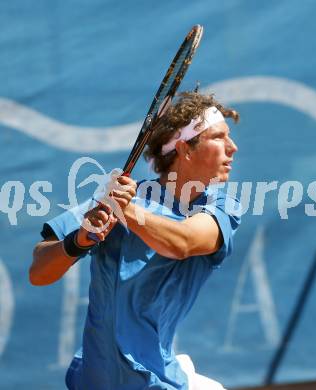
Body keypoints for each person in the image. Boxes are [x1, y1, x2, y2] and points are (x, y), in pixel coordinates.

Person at [30, 92, 240, 390]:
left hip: (158, 381)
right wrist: (77, 241)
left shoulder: (222, 206)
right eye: (219, 138)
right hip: (95, 379)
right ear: (185, 150)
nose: (233, 148)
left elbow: (182, 243)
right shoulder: (114, 200)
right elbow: (38, 271)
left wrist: (126, 210)